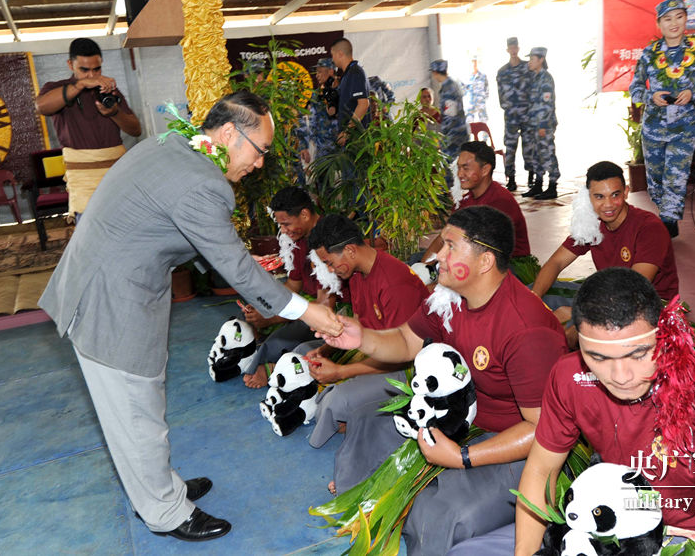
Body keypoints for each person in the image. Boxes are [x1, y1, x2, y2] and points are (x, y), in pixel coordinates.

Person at [38, 91, 342, 543]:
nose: (259, 164)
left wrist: (248, 284)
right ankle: (164, 512)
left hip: (106, 284)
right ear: (226, 134)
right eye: (259, 151)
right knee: (135, 411)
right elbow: (233, 265)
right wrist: (306, 310)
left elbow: (185, 233)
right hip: (110, 303)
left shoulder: (172, 146)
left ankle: (160, 490)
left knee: (141, 407)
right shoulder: (204, 182)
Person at [322, 205, 569, 555]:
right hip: (457, 418)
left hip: (512, 441)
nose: (436, 255)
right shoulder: (449, 297)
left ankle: (419, 504)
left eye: (450, 246)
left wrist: (464, 457)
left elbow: (544, 430)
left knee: (440, 513)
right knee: (368, 419)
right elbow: (407, 340)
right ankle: (365, 499)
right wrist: (359, 338)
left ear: (484, 262)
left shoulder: (525, 329)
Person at [499, 269, 695, 555]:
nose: (620, 375)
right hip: (606, 517)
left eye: (638, 354)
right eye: (598, 357)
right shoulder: (569, 376)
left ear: (666, 335)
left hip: (691, 536)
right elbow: (542, 469)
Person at [300, 214, 430, 449]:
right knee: (306, 353)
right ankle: (350, 415)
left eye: (329, 262)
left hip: (410, 370)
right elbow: (359, 325)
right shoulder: (357, 273)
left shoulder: (394, 284)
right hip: (376, 351)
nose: (330, 269)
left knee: (337, 399)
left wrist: (341, 372)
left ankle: (353, 419)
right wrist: (326, 348)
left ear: (350, 250)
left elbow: (400, 358)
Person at [629, 0, 695, 238]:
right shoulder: (650, 53)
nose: (674, 23)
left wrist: (693, 92)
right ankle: (665, 211)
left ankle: (669, 220)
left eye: (679, 17)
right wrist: (650, 96)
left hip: (685, 126)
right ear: (659, 24)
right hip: (653, 127)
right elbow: (634, 87)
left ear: (686, 19)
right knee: (656, 177)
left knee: (676, 175)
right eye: (667, 19)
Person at [532, 161, 678, 309]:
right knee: (534, 290)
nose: (608, 204)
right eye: (599, 197)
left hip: (647, 306)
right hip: (608, 295)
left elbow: (634, 289)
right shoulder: (591, 223)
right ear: (588, 197)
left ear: (626, 192)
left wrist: (579, 315)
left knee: (571, 323)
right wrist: (534, 299)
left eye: (615, 195)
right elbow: (556, 262)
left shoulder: (649, 228)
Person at [35, 37, 142, 221]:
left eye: (97, 69)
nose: (92, 75)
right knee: (89, 232)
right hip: (83, 178)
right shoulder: (56, 88)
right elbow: (41, 107)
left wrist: (114, 113)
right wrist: (80, 85)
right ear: (70, 64)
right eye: (84, 70)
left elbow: (135, 130)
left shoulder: (108, 91)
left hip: (117, 173)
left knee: (128, 227)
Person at [240, 186, 335, 388]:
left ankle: (273, 367)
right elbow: (293, 284)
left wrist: (273, 317)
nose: (283, 230)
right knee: (258, 315)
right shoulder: (298, 240)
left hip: (333, 312)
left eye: (286, 224)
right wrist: (267, 308)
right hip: (310, 307)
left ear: (305, 214)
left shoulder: (328, 240)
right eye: (280, 225)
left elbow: (324, 307)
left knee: (296, 346)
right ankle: (271, 363)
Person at [422, 141, 531, 262]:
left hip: (507, 265)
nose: (459, 174)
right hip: (472, 256)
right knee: (418, 259)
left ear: (485, 170)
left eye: (466, 168)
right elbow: (445, 236)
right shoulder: (466, 200)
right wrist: (423, 267)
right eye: (459, 168)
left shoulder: (499, 201)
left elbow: (479, 251)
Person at [496, 37, 534, 192]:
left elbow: (533, 89)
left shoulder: (527, 68)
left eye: (515, 47)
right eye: (510, 48)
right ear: (507, 50)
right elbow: (500, 94)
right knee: (510, 147)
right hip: (511, 116)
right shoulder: (502, 71)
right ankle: (510, 178)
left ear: (518, 48)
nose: (513, 50)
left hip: (527, 114)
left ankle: (532, 177)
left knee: (529, 146)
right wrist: (507, 107)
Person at [294, 58, 338, 183]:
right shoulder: (315, 95)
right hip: (322, 148)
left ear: (330, 71)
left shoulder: (342, 89)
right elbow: (304, 118)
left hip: (341, 146)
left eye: (320, 72)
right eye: (316, 72)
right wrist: (303, 146)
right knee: (323, 184)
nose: (317, 75)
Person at [523, 47, 559, 200]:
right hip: (533, 124)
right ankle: (538, 184)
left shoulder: (546, 79)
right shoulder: (535, 78)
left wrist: (543, 125)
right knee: (536, 155)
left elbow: (547, 104)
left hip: (543, 125)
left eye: (532, 59)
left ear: (541, 60)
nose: (529, 62)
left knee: (547, 153)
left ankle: (552, 186)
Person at [430, 59, 471, 165]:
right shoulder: (452, 84)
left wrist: (442, 139)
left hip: (454, 136)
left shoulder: (448, 89)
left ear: (435, 72)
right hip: (459, 133)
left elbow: (450, 117)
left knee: (448, 168)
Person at [330, 38, 370, 144]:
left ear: (340, 54)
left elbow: (363, 104)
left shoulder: (355, 73)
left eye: (332, 55)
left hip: (357, 140)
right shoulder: (347, 75)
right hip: (351, 140)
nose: (332, 60)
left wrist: (347, 132)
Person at [465, 55, 489, 128]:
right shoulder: (466, 77)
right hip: (470, 106)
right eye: (473, 62)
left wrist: (482, 100)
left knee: (483, 124)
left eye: (476, 62)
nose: (474, 64)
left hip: (481, 104)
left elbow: (487, 90)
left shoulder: (483, 76)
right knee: (468, 125)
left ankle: (485, 139)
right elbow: (463, 91)